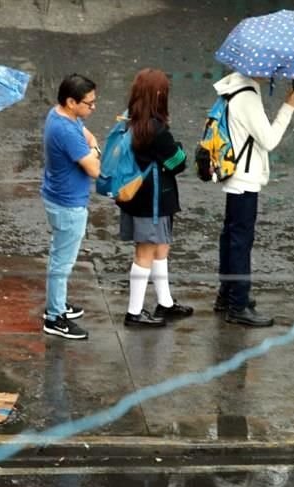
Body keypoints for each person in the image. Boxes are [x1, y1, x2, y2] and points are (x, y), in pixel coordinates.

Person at [211, 71, 294, 327]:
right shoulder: (247, 96)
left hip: (234, 174)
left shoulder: (235, 88)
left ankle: (227, 295)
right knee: (240, 241)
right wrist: (288, 108)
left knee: (231, 236)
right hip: (245, 177)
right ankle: (237, 305)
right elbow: (269, 140)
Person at [116, 68, 193, 328]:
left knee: (160, 247)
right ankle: (134, 312)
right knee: (146, 252)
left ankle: (165, 303)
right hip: (153, 201)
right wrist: (180, 149)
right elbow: (177, 163)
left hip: (136, 195)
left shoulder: (129, 120)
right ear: (159, 95)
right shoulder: (155, 129)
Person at [40, 73, 101, 340]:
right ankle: (54, 317)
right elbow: (94, 169)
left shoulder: (60, 115)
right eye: (88, 103)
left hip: (58, 198)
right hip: (68, 205)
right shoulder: (65, 130)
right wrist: (96, 151)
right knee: (62, 264)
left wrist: (91, 145)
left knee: (59, 258)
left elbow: (88, 135)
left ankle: (58, 304)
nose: (93, 107)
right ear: (71, 101)